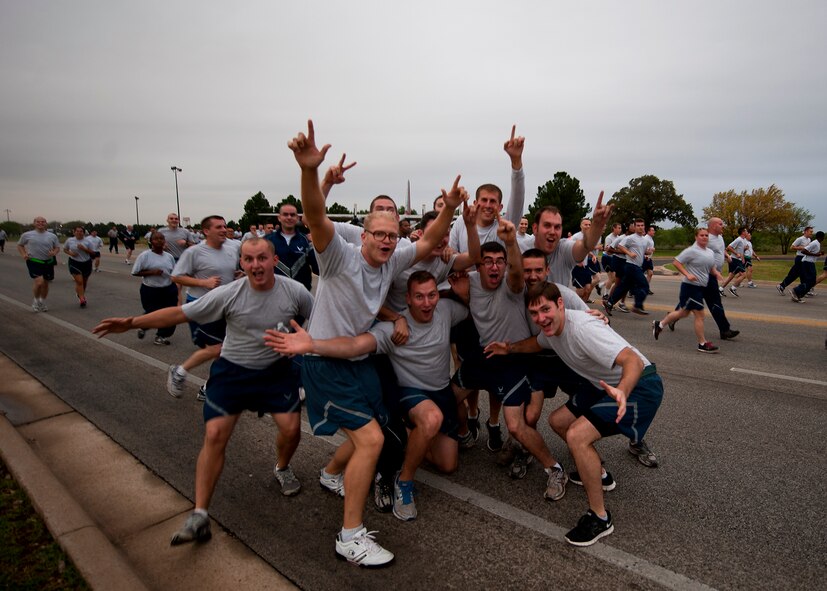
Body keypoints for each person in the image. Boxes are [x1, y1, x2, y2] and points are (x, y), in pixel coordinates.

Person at [288, 119, 465, 566]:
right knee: (370, 441)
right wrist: (312, 172)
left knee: (382, 422)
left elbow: (427, 240)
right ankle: (350, 535)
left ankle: (332, 474)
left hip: (358, 356)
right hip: (325, 359)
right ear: (362, 235)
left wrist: (450, 210)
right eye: (378, 234)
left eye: (392, 234)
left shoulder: (394, 258)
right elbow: (313, 215)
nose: (386, 240)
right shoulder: (337, 258)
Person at [93, 238, 313, 545]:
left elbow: (315, 321)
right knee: (214, 437)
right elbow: (180, 314)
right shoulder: (228, 294)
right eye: (248, 259)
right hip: (233, 373)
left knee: (291, 431)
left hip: (277, 373)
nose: (255, 265)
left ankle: (282, 467)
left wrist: (303, 346)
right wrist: (131, 322)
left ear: (274, 260)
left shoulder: (296, 292)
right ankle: (199, 515)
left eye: (262, 258)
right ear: (242, 263)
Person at [267, 271, 466, 522]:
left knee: (448, 464)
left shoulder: (446, 310)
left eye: (431, 295)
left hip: (441, 393)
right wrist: (313, 345)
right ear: (407, 298)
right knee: (431, 419)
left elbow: (476, 309)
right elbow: (355, 346)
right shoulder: (393, 329)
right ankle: (403, 482)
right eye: (419, 297)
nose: (426, 303)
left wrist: (462, 292)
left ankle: (407, 434)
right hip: (411, 394)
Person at [526, 282, 663, 546]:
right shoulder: (551, 330)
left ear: (560, 304)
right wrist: (506, 348)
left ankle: (600, 518)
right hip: (603, 384)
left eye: (546, 309)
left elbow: (632, 360)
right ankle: (599, 473)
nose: (541, 318)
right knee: (559, 421)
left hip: (640, 386)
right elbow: (533, 343)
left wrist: (622, 390)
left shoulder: (584, 328)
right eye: (535, 313)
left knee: (578, 436)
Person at [451, 220, 570, 502]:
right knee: (446, 398)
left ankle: (553, 468)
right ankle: (463, 434)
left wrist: (510, 243)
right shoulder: (467, 284)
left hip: (514, 360)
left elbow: (517, 271)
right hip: (484, 356)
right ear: (476, 267)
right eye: (487, 262)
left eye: (499, 262)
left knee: (518, 423)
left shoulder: (512, 285)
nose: (494, 267)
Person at [168, 216, 241, 400]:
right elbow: (176, 277)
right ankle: (179, 371)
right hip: (201, 306)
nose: (224, 230)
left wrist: (237, 275)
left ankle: (208, 388)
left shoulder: (232, 248)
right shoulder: (194, 252)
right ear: (206, 231)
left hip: (225, 306)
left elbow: (230, 273)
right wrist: (203, 282)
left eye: (225, 226)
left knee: (228, 351)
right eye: (219, 227)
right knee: (217, 349)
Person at [652, 228, 720, 353]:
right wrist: (687, 274)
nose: (704, 237)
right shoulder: (691, 251)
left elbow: (711, 266)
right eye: (701, 235)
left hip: (700, 287)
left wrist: (716, 273)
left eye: (706, 235)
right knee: (700, 315)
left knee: (683, 313)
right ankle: (702, 343)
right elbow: (676, 262)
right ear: (696, 237)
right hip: (690, 287)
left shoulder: (709, 252)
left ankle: (659, 324)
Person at [131, 230, 179, 345]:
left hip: (168, 288)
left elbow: (174, 272)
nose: (159, 241)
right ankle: (143, 325)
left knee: (171, 314)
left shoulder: (169, 256)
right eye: (156, 238)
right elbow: (135, 272)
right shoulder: (145, 256)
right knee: (153, 313)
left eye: (161, 238)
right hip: (150, 290)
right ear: (151, 241)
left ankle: (161, 336)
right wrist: (152, 272)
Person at [265, 203, 318, 292]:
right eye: (285, 214)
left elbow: (318, 269)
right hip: (274, 293)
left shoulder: (306, 241)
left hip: (301, 294)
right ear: (279, 217)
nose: (289, 217)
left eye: (292, 215)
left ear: (297, 218)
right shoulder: (267, 241)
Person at [604, 218, 651, 316]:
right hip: (631, 266)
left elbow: (642, 251)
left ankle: (609, 303)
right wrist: (629, 253)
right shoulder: (630, 238)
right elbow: (621, 246)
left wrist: (648, 252)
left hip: (637, 266)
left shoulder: (644, 240)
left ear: (644, 226)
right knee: (644, 285)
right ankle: (637, 306)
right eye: (638, 225)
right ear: (634, 226)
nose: (640, 227)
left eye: (642, 225)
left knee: (623, 287)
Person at [18, 217, 61, 312]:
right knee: (39, 282)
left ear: (46, 223)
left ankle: (42, 301)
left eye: (43, 222)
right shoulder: (27, 235)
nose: (40, 223)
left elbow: (57, 247)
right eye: (38, 222)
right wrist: (24, 254)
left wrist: (54, 253)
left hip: (48, 262)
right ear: (34, 223)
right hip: (34, 261)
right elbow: (20, 245)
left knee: (45, 284)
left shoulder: (52, 236)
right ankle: (35, 301)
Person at [64, 226, 95, 308]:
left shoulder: (88, 241)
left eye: (81, 231)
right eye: (77, 231)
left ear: (83, 233)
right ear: (74, 232)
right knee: (79, 281)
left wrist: (84, 249)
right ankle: (82, 299)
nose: (79, 232)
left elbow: (93, 253)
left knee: (84, 282)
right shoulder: (70, 240)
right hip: (74, 263)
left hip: (86, 263)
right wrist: (71, 253)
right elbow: (65, 249)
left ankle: (80, 294)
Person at [790, 231, 824, 303]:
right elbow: (803, 251)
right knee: (810, 280)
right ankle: (796, 291)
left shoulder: (817, 243)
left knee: (812, 281)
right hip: (807, 263)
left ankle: (798, 295)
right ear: (821, 237)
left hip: (810, 263)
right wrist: (815, 255)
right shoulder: (814, 243)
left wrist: (819, 253)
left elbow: (812, 252)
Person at [778, 227, 813, 295]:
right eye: (810, 231)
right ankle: (781, 286)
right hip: (799, 258)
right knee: (794, 274)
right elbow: (792, 247)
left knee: (803, 275)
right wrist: (801, 247)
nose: (811, 233)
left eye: (812, 232)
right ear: (805, 231)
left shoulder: (809, 239)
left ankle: (805, 290)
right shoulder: (800, 239)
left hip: (805, 258)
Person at [720, 226, 748, 297]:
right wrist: (736, 254)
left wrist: (742, 257)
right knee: (743, 274)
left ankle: (720, 289)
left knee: (731, 276)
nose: (747, 232)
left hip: (737, 260)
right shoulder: (738, 239)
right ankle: (733, 288)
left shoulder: (742, 240)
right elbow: (729, 247)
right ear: (743, 232)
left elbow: (739, 250)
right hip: (735, 260)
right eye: (746, 231)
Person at [643, 226, 656, 294]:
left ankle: (646, 288)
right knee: (639, 275)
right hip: (644, 259)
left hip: (649, 259)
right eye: (652, 230)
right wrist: (651, 249)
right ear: (648, 231)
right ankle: (632, 289)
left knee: (650, 273)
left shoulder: (650, 239)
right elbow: (643, 249)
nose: (654, 232)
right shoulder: (645, 239)